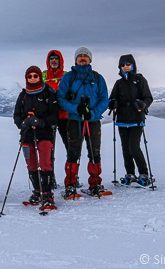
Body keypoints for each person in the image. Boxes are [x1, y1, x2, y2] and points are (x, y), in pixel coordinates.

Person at [57, 47, 110, 199]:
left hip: (93, 120)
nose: (82, 58)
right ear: (75, 59)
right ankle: (70, 185)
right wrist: (76, 109)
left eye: (85, 56)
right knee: (73, 152)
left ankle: (95, 184)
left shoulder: (97, 78)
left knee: (95, 152)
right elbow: (61, 99)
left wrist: (92, 113)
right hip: (74, 120)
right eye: (79, 56)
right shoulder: (69, 78)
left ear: (90, 59)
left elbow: (104, 99)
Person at [13, 66, 58, 210]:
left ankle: (47, 194)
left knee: (45, 163)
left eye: (35, 76)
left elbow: (55, 114)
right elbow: (17, 115)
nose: (32, 78)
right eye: (30, 76)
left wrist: (41, 122)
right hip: (27, 135)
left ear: (40, 77)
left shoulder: (48, 92)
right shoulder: (23, 94)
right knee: (31, 164)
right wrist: (24, 123)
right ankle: (37, 192)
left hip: (44, 133)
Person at [108, 54, 154, 186]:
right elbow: (112, 98)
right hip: (122, 119)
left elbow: (148, 98)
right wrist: (113, 104)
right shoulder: (119, 83)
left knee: (134, 147)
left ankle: (143, 173)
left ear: (133, 65)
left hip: (136, 118)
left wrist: (142, 104)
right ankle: (130, 173)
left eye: (128, 64)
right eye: (123, 65)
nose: (125, 67)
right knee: (125, 148)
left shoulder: (140, 80)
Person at [42, 50, 69, 188]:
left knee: (70, 147)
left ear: (60, 61)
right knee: (49, 149)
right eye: (51, 58)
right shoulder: (43, 75)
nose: (53, 61)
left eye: (56, 59)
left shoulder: (66, 76)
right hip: (49, 117)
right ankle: (50, 179)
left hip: (64, 116)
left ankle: (71, 178)